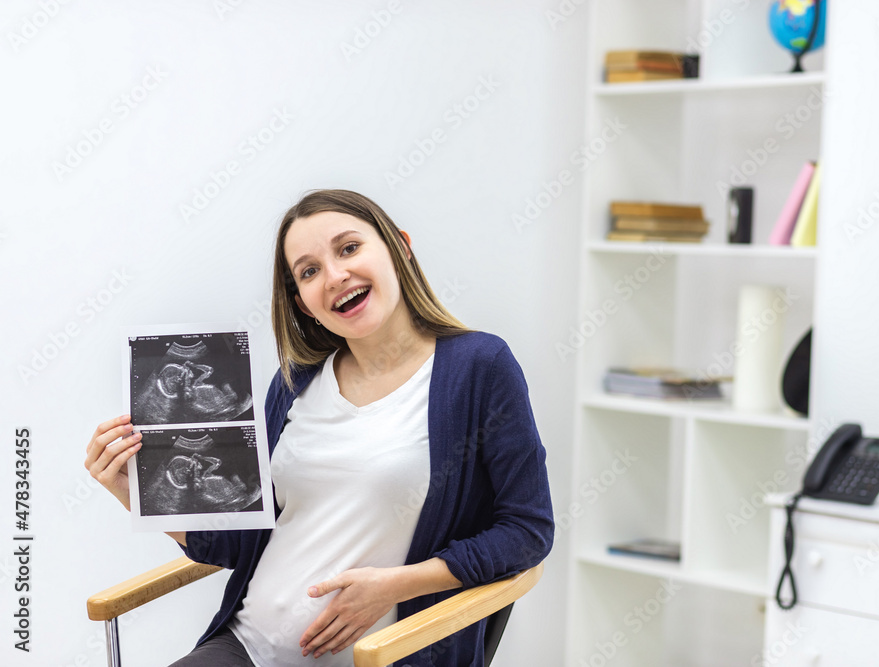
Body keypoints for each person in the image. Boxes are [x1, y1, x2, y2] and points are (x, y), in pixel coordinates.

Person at [84, 189, 555, 666]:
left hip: (380, 656)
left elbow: (527, 529)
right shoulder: (294, 381)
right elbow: (236, 543)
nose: (335, 276)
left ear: (399, 247)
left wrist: (395, 585)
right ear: (304, 303)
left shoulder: (479, 367)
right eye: (309, 271)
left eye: (349, 248)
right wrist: (138, 492)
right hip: (246, 648)